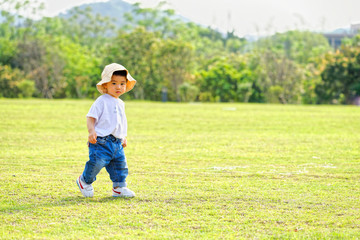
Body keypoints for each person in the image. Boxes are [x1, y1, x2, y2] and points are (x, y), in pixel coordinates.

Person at [76, 63, 137, 198]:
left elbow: (120, 122)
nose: (118, 87)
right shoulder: (102, 101)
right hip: (101, 142)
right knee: (96, 164)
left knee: (120, 166)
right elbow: (91, 117)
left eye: (122, 83)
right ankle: (84, 181)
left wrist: (123, 136)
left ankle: (119, 187)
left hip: (117, 143)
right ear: (105, 85)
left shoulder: (121, 103)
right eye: (114, 83)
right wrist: (91, 131)